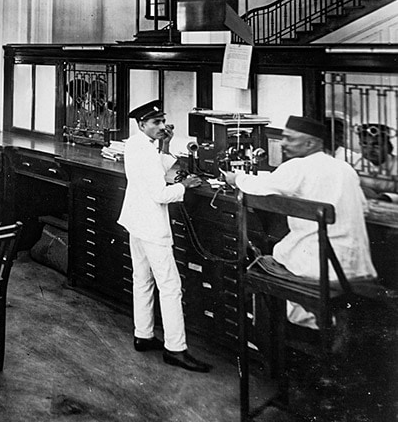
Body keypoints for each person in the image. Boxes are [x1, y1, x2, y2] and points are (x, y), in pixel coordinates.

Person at [223, 115, 377, 328]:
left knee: (259, 268)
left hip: (318, 268)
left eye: (289, 139)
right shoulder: (345, 169)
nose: (283, 143)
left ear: (310, 143)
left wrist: (236, 179)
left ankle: (281, 346)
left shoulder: (297, 167)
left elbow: (259, 186)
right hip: (352, 267)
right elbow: (364, 207)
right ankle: (320, 325)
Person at [117, 99, 210, 373]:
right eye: (156, 123)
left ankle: (143, 335)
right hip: (151, 226)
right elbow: (160, 193)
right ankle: (175, 349)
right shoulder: (143, 150)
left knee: (142, 280)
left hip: (135, 222)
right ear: (142, 124)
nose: (162, 126)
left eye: (162, 121)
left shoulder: (136, 144)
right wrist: (185, 185)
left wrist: (166, 146)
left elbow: (158, 167)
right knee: (170, 287)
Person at [353, 123, 398, 199]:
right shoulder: (354, 162)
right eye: (364, 144)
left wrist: (386, 197)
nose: (370, 150)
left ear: (387, 145)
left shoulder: (396, 163)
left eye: (376, 144)